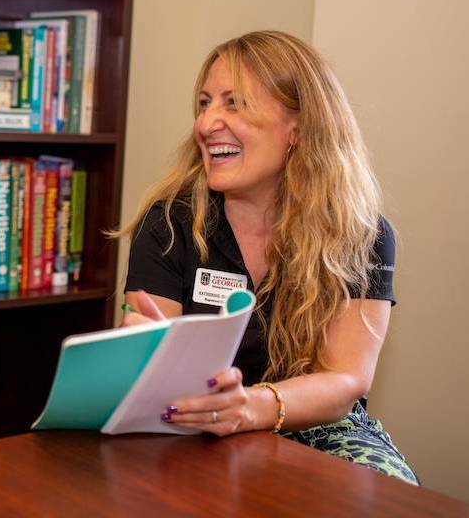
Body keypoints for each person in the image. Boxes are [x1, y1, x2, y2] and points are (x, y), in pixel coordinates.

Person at [118, 31, 417, 483]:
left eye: (233, 103)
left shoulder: (364, 236)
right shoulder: (169, 223)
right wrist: (142, 354)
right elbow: (138, 359)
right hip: (192, 423)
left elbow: (345, 381)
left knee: (390, 493)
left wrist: (254, 407)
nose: (205, 124)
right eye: (204, 103)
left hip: (320, 428)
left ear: (298, 128)